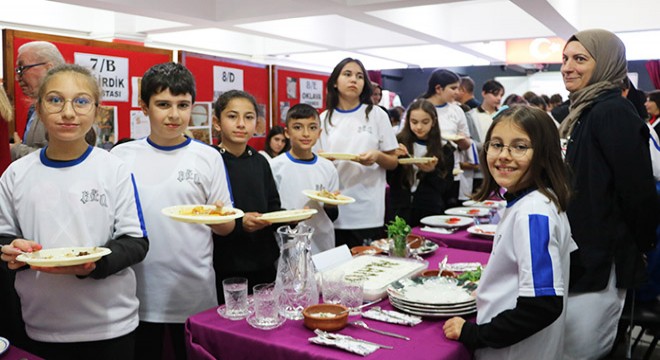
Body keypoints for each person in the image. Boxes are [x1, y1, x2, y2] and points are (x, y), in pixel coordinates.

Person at [0, 64, 148, 360]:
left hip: (110, 324)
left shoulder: (113, 169)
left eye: (81, 101)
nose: (68, 112)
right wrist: (13, 249)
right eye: (55, 100)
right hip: (40, 322)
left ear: (96, 110)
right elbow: (3, 235)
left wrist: (95, 265)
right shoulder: (16, 174)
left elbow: (136, 241)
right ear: (39, 109)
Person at [111, 62, 234, 360]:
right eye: (163, 105)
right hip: (137, 289)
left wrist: (219, 217)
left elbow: (227, 228)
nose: (174, 115)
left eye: (183, 105)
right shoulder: (120, 156)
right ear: (144, 106)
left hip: (193, 287)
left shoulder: (208, 157)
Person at [443, 106, 575, 360]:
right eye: (497, 145)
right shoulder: (536, 201)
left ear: (545, 154)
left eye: (520, 146)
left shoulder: (533, 212)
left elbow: (542, 305)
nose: (504, 155)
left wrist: (473, 334)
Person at [558, 29, 658, 360]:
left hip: (601, 258)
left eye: (580, 59)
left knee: (583, 349)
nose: (567, 67)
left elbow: (638, 193)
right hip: (582, 254)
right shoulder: (584, 110)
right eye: (565, 59)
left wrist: (641, 246)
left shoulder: (611, 111)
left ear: (607, 64)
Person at [316, 58, 398, 248]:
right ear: (335, 82)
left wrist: (377, 156)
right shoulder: (323, 118)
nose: (354, 80)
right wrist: (322, 160)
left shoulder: (376, 114)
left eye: (359, 76)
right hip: (332, 209)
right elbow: (315, 163)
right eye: (347, 74)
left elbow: (393, 161)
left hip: (367, 210)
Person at [212, 90, 283, 296]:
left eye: (249, 117)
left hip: (264, 259)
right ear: (217, 123)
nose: (241, 124)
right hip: (225, 261)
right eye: (232, 117)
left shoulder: (260, 161)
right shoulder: (210, 159)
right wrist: (239, 223)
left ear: (257, 124)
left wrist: (292, 216)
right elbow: (204, 213)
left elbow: (273, 206)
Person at [270, 103, 339, 254]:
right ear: (287, 132)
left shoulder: (328, 167)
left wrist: (331, 204)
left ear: (319, 132)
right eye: (298, 127)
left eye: (312, 127)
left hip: (322, 243)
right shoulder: (274, 166)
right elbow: (271, 210)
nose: (306, 133)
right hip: (287, 243)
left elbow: (333, 215)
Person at [387, 99, 454, 226]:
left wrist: (432, 172)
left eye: (425, 122)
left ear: (433, 122)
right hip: (400, 207)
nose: (419, 127)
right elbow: (388, 178)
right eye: (414, 122)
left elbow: (446, 187)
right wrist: (393, 160)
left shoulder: (445, 148)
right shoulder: (397, 142)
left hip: (429, 208)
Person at [422, 69, 475, 204]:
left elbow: (467, 142)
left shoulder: (457, 110)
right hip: (424, 171)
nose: (457, 92)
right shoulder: (419, 106)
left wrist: (461, 140)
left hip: (452, 172)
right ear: (438, 88)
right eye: (453, 88)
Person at [11, 41, 65, 160]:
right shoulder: (35, 107)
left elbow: (62, 157)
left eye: (22, 68)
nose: (17, 78)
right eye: (17, 70)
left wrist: (14, 150)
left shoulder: (68, 109)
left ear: (49, 68)